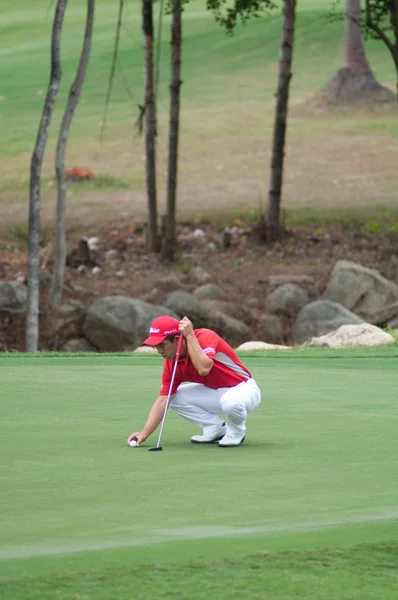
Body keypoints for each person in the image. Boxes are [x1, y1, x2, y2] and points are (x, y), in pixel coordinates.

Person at [127, 315, 261, 448]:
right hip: (215, 392)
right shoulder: (171, 363)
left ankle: (236, 432)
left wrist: (190, 336)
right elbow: (163, 401)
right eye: (157, 347)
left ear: (177, 340)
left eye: (162, 345)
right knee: (172, 397)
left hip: (243, 388)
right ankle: (215, 428)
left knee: (230, 402)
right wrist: (144, 433)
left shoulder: (205, 337)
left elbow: (203, 368)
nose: (160, 351)